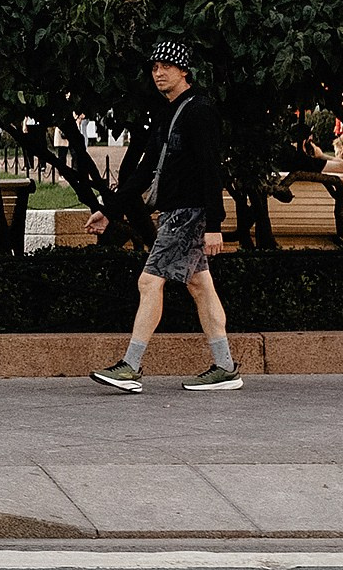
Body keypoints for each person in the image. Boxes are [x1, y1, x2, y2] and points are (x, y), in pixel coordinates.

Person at [88, 41, 241, 392]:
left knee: (148, 281)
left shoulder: (200, 111)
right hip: (178, 212)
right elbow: (143, 173)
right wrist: (108, 211)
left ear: (183, 71)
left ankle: (130, 366)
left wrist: (214, 226)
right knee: (200, 286)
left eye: (166, 67)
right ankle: (225, 367)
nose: (158, 73)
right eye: (155, 67)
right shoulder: (168, 112)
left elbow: (210, 170)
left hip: (188, 214)